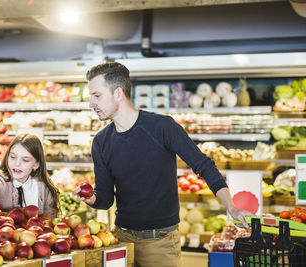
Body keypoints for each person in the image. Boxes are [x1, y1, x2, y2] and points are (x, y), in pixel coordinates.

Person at [73, 62, 254, 267]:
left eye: (97, 96)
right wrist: (90, 197)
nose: (91, 103)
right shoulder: (101, 141)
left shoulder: (162, 127)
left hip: (160, 242)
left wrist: (231, 207)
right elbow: (105, 198)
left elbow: (204, 165)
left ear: (117, 93)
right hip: (121, 241)